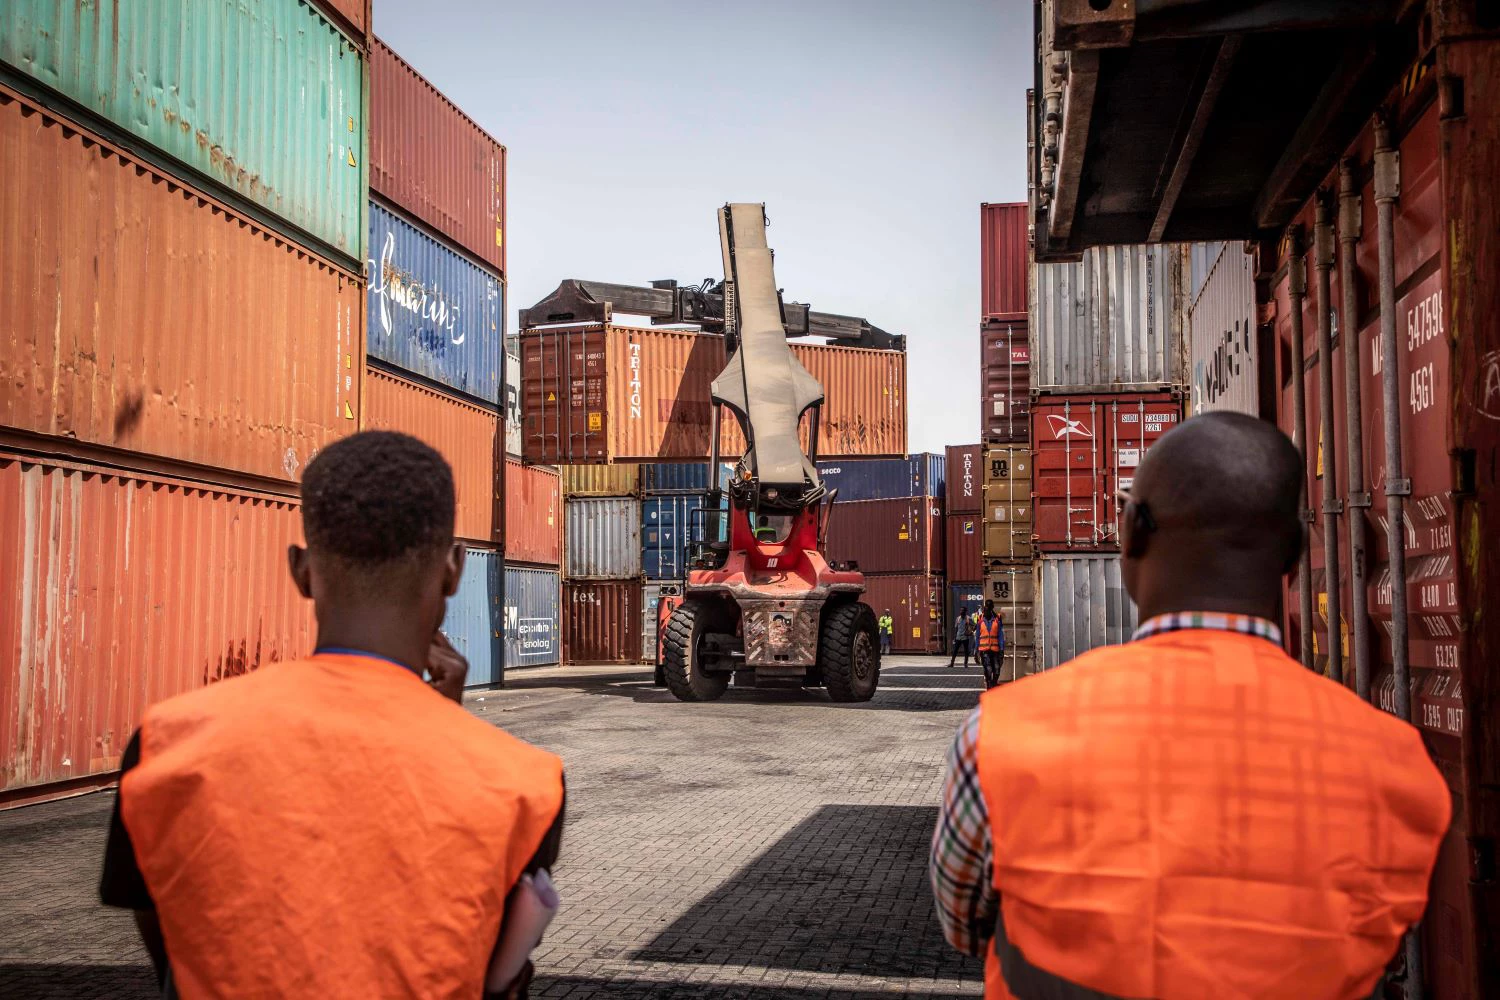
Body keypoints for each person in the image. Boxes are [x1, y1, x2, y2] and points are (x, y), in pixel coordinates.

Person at [929, 412, 1450, 999]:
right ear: (1296, 555)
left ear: (1130, 533)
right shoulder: (1400, 771)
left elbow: (966, 925)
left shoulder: (1003, 735)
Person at [99, 431, 566, 999]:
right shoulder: (527, 784)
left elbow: (171, 940)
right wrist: (442, 729)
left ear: (300, 569)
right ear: (454, 569)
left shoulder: (166, 743)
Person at [975, 600, 1004, 689]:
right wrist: (976, 650)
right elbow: (977, 636)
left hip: (995, 650)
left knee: (997, 670)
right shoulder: (980, 619)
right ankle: (989, 684)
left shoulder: (997, 619)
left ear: (991, 609)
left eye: (988, 608)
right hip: (984, 650)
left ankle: (994, 683)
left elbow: (1000, 635)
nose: (986, 610)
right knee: (988, 669)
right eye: (986, 608)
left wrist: (1002, 649)